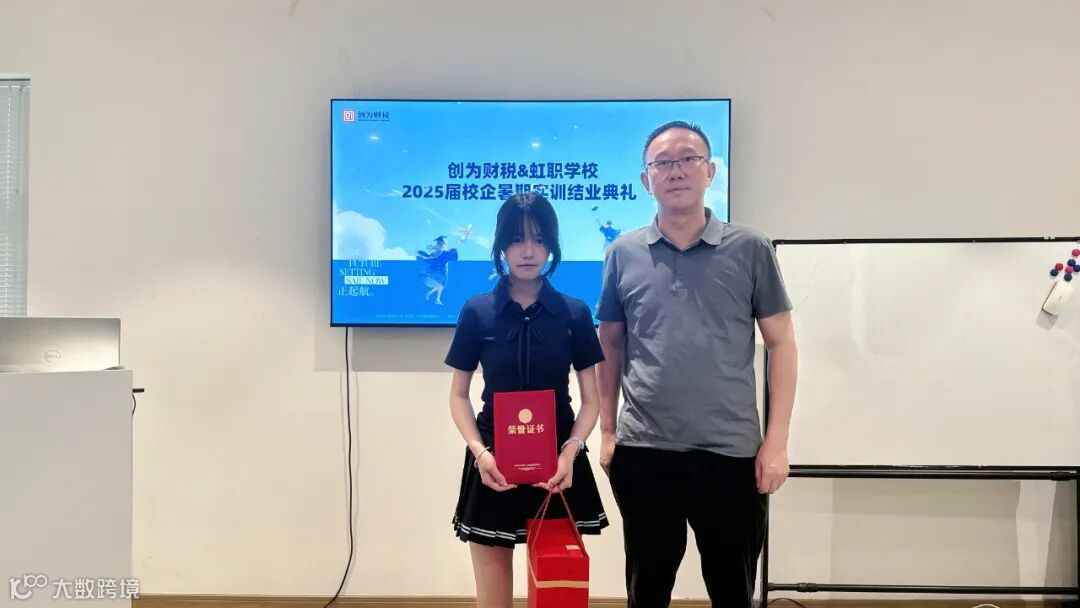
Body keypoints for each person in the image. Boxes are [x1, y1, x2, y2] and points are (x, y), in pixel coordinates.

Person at [595, 121, 798, 608]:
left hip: (731, 454)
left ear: (710, 170)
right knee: (646, 592)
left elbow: (782, 344)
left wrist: (776, 442)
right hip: (645, 451)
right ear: (646, 179)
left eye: (688, 158)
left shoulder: (751, 248)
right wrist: (608, 430)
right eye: (662, 162)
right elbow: (609, 344)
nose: (676, 170)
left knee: (732, 592)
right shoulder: (622, 253)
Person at [445, 192, 609, 608]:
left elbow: (591, 401)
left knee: (556, 589)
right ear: (501, 245)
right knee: (492, 590)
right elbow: (459, 396)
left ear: (552, 245)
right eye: (517, 239)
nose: (529, 251)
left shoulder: (574, 313)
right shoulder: (477, 312)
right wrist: (480, 453)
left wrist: (570, 452)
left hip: (557, 463)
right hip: (493, 460)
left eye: (539, 239)